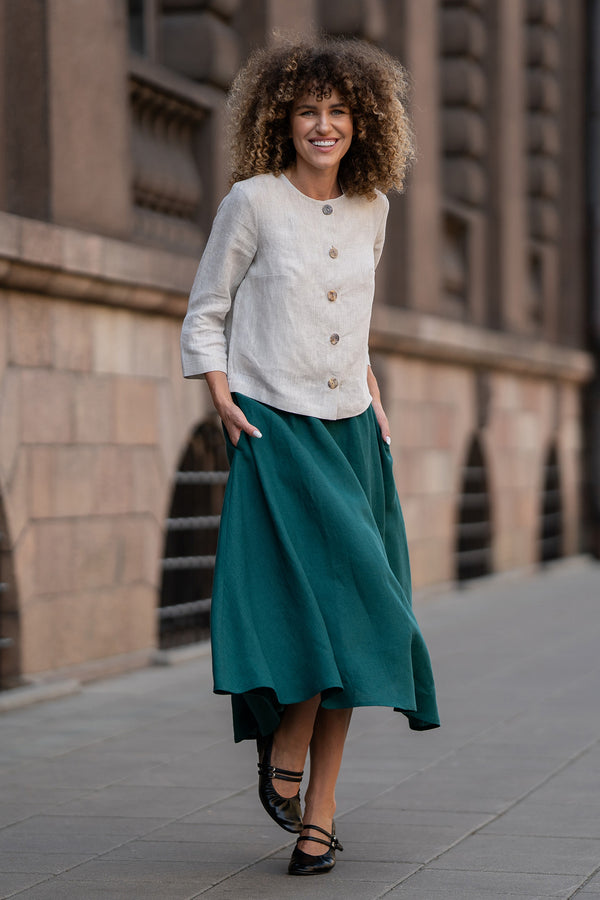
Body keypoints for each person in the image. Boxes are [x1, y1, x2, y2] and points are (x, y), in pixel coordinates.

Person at [180, 36, 439, 877]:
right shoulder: (252, 202)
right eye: (307, 111)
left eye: (338, 111)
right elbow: (206, 311)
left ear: (363, 123)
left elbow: (349, 318)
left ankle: (317, 812)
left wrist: (371, 387)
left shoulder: (374, 208)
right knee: (305, 611)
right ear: (281, 120)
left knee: (362, 613)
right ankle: (290, 740)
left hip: (353, 430)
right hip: (275, 429)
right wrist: (221, 396)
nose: (323, 125)